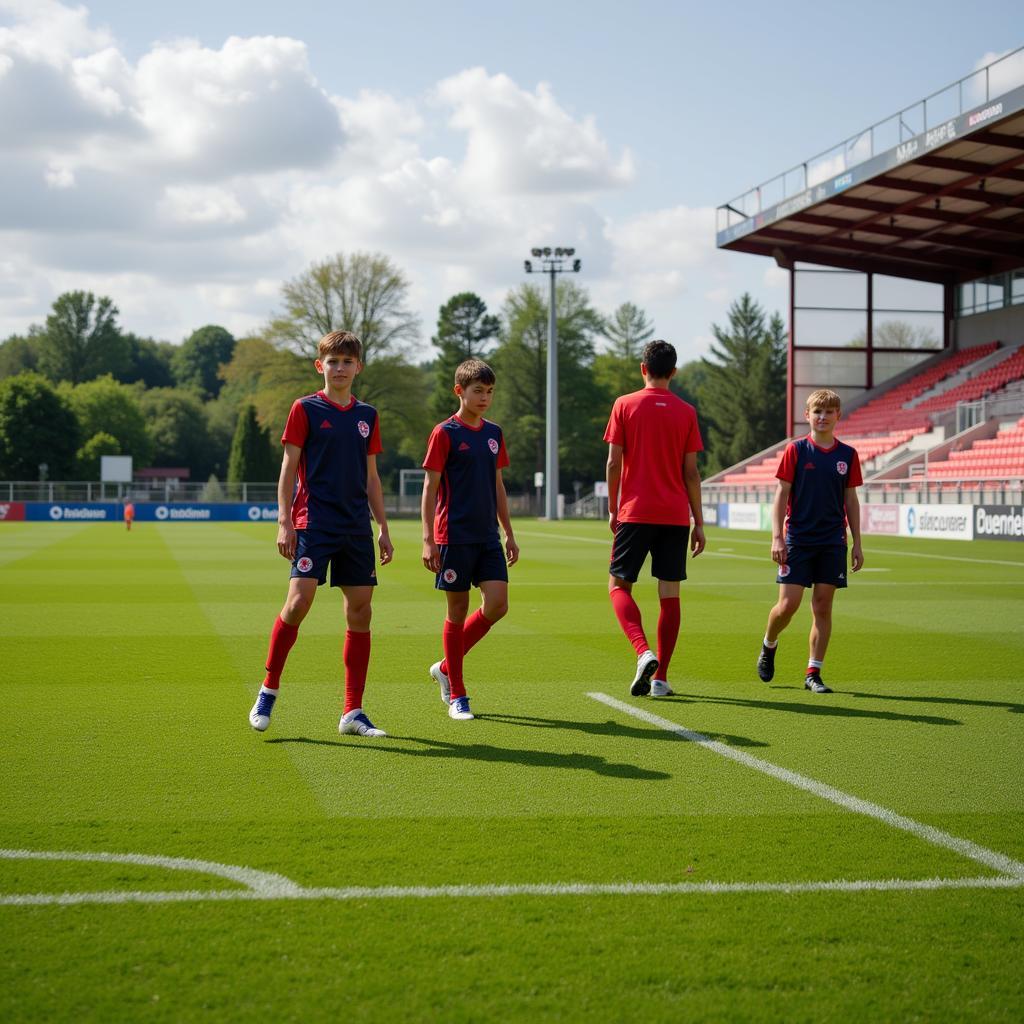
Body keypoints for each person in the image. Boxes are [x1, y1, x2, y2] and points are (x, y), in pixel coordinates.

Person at [249, 330, 393, 736]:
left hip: (355, 527)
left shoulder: (367, 416)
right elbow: (288, 467)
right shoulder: (305, 409)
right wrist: (284, 520)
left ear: (358, 367)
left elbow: (372, 477)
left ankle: (353, 712)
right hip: (313, 521)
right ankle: (268, 689)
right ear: (321, 366)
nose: (341, 368)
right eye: (334, 361)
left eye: (348, 361)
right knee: (297, 603)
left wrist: (382, 527)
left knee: (361, 611)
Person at [604, 339, 705, 697]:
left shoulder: (624, 405)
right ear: (674, 372)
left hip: (636, 511)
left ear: (643, 368)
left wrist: (614, 507)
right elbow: (691, 473)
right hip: (675, 515)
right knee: (669, 593)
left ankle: (642, 651)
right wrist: (700, 522)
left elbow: (614, 461)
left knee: (618, 587)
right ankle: (661, 678)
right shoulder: (686, 412)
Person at [421, 358, 519, 721]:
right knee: (457, 613)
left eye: (490, 392)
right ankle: (458, 695)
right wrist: (428, 538)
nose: (485, 398)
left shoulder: (494, 433)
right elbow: (429, 487)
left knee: (497, 605)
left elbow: (497, 485)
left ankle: (446, 668)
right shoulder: (444, 432)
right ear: (459, 391)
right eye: (478, 391)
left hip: (487, 537)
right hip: (453, 538)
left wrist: (509, 533)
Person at [757, 388, 864, 694]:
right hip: (798, 540)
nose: (823, 417)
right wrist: (777, 537)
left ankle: (813, 672)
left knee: (822, 607)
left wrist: (857, 542)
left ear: (838, 416)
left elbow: (851, 500)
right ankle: (769, 643)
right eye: (817, 412)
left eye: (829, 412)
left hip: (832, 541)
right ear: (807, 416)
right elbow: (782, 494)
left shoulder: (848, 455)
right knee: (788, 606)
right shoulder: (796, 450)